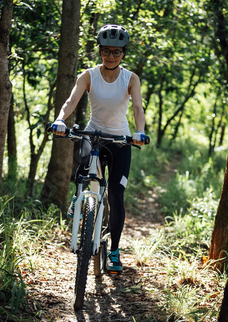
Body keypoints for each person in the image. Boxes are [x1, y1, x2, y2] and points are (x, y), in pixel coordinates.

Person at [51, 24, 147, 272]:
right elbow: (71, 100)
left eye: (116, 51)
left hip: (120, 141)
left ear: (123, 53)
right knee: (83, 163)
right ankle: (78, 195)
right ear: (100, 51)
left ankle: (114, 252)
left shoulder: (130, 78)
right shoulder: (89, 75)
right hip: (94, 135)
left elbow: (138, 107)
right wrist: (61, 119)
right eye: (106, 51)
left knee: (115, 194)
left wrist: (139, 131)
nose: (111, 56)